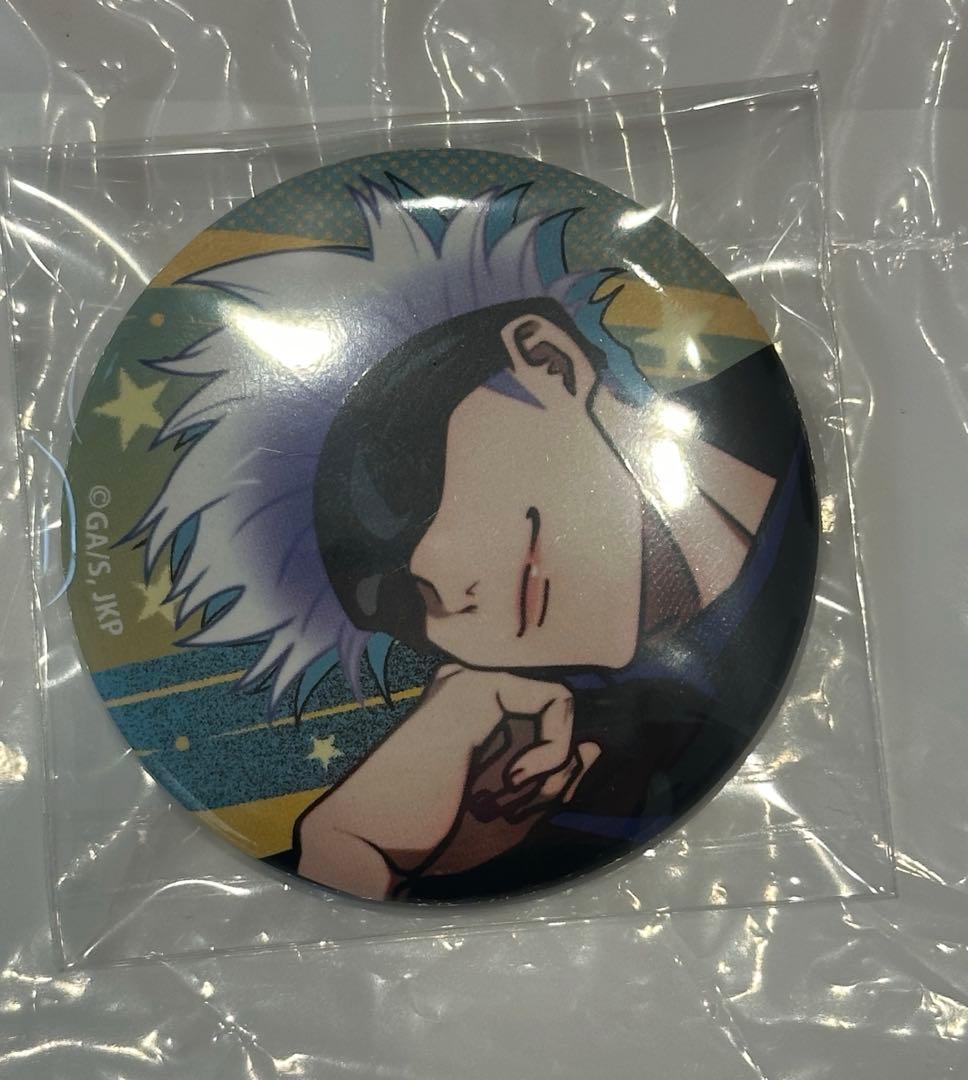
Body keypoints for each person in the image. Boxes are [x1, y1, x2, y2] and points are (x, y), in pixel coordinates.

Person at [132, 174, 815, 901]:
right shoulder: (558, 777)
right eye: (400, 601)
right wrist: (351, 849)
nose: (440, 582)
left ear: (546, 361)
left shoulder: (778, 426)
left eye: (412, 482)